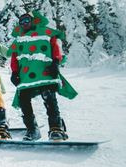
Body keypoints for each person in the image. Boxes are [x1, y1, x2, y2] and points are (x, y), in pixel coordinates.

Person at [8, 11, 78, 141]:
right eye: (21, 22)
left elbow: (55, 48)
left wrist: (56, 63)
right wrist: (14, 72)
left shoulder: (45, 33)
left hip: (45, 73)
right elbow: (14, 57)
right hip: (26, 77)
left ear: (33, 21)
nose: (24, 23)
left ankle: (56, 128)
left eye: (27, 20)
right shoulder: (19, 39)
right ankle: (32, 130)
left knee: (49, 98)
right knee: (24, 100)